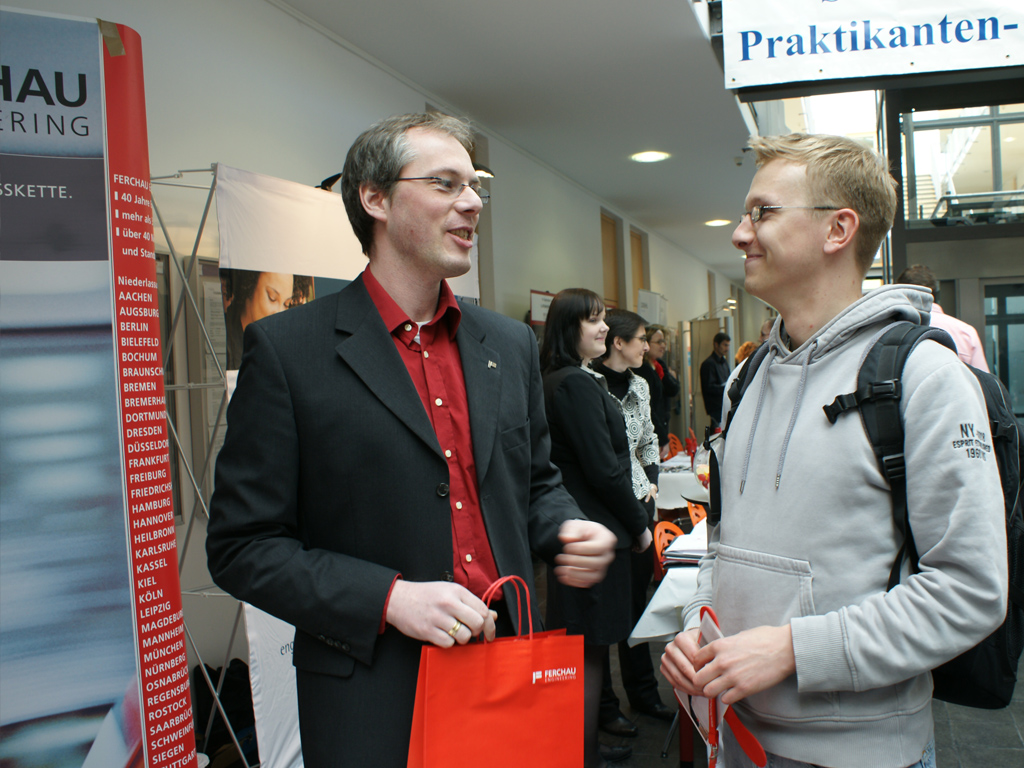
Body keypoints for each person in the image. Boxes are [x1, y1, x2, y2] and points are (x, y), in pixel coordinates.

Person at [206, 113, 617, 768]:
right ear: (374, 197)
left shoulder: (507, 344)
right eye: (446, 183)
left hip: (508, 671)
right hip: (376, 699)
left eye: (476, 185)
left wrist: (567, 526)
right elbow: (242, 548)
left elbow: (535, 481)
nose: (473, 202)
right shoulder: (289, 351)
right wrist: (390, 598)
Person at [660, 133, 1006, 768]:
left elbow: (970, 590)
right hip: (737, 737)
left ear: (838, 229)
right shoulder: (745, 380)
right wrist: (696, 620)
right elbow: (723, 544)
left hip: (861, 751)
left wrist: (794, 650)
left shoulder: (924, 378)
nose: (739, 234)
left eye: (763, 212)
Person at [541, 290, 653, 768]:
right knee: (586, 652)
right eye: (593, 320)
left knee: (586, 649)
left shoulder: (565, 380)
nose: (604, 328)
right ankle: (582, 754)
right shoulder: (575, 385)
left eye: (604, 319)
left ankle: (584, 745)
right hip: (594, 528)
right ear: (570, 328)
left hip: (581, 527)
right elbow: (605, 470)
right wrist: (639, 525)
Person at [592, 309, 675, 739]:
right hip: (603, 510)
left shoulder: (641, 384)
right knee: (603, 612)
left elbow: (648, 442)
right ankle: (604, 706)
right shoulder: (588, 384)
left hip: (640, 504)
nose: (647, 346)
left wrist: (652, 483)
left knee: (636, 606)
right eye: (641, 339)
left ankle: (643, 693)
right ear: (618, 342)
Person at [895, 264, 990, 372]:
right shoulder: (966, 333)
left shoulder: (893, 332)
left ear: (901, 294)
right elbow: (981, 380)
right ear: (936, 293)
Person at [222, 269, 295, 369]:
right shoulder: (224, 338)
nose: (279, 313)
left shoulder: (278, 346)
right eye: (272, 298)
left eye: (286, 304)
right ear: (250, 286)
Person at [634, 324, 681, 459]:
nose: (663, 346)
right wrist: (661, 436)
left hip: (662, 424)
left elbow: (673, 389)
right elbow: (648, 407)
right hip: (651, 431)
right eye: (659, 342)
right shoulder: (642, 369)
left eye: (664, 342)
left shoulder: (658, 365)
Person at [699, 331, 731, 427]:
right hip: (716, 407)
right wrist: (726, 388)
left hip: (725, 404)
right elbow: (709, 388)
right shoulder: (708, 364)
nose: (727, 348)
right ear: (716, 345)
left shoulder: (724, 362)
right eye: (725, 345)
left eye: (728, 345)